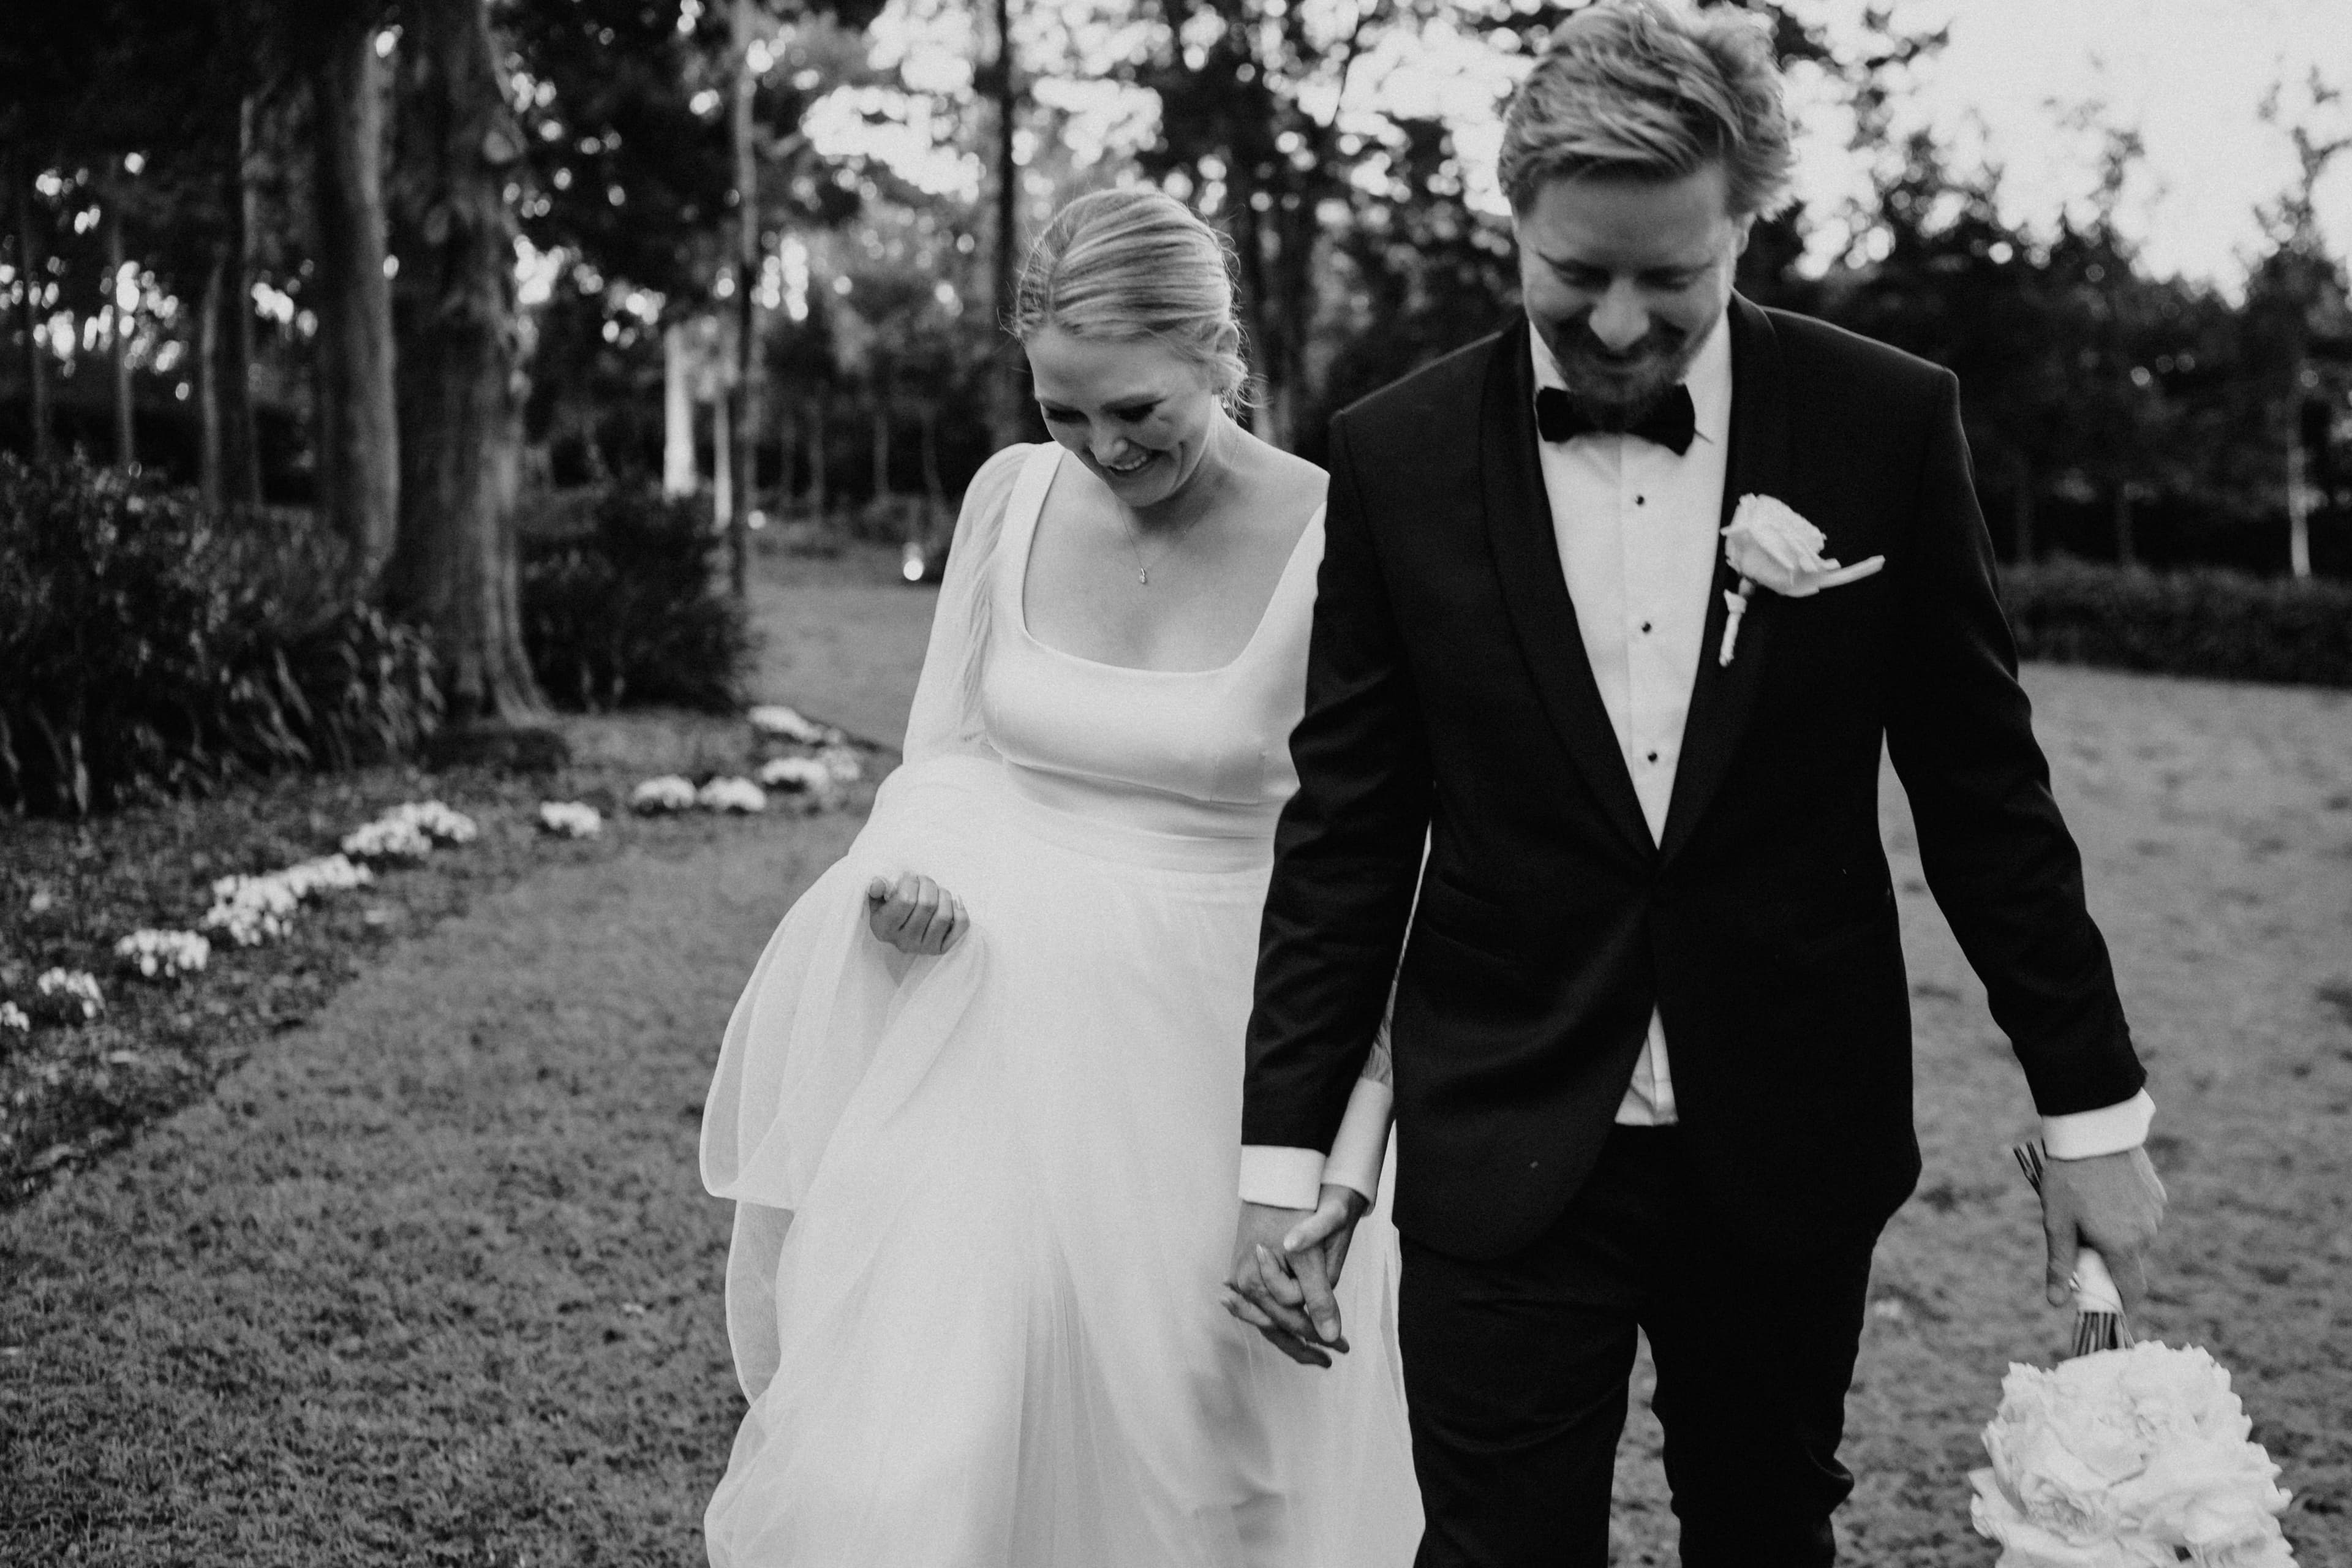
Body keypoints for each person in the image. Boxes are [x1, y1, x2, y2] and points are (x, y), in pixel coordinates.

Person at [1223, 4, 2168, 1565]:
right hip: (1502, 1129)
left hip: (1790, 1125)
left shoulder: (1884, 419)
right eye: (1571, 274)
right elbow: (1348, 835)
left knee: (1767, 1528)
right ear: (1510, 220)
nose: (1610, 326)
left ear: (1748, 224)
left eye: (1670, 279)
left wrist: (2090, 1111)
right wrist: (1282, 1165)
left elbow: (1983, 790)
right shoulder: (1391, 457)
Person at [699, 187, 1422, 1567]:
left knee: (1212, 1471)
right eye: (1063, 410)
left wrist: (1342, 1142)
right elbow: (949, 755)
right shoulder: (1009, 496)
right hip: (992, 1035)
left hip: (1220, 1044)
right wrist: (914, 873)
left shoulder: (1346, 533)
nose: (1100, 448)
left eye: (1138, 409)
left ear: (1220, 352)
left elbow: (1383, 852)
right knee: (917, 1447)